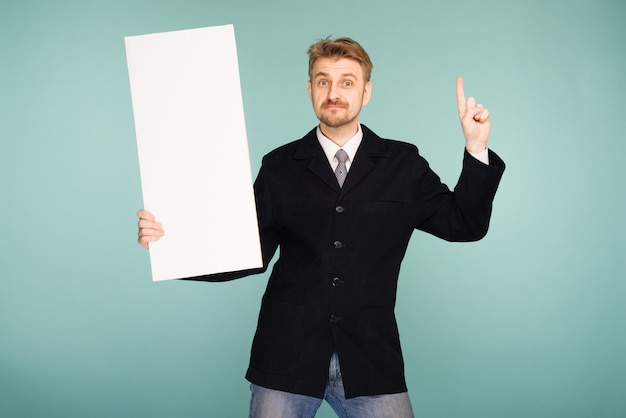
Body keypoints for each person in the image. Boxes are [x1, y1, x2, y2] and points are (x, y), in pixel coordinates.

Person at [137, 37, 505, 417]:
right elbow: (248, 254)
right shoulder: (280, 166)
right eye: (323, 80)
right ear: (310, 89)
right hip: (286, 356)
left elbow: (464, 224)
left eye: (347, 81)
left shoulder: (403, 164)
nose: (334, 92)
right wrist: (172, 246)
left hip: (370, 358)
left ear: (366, 92)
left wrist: (476, 148)